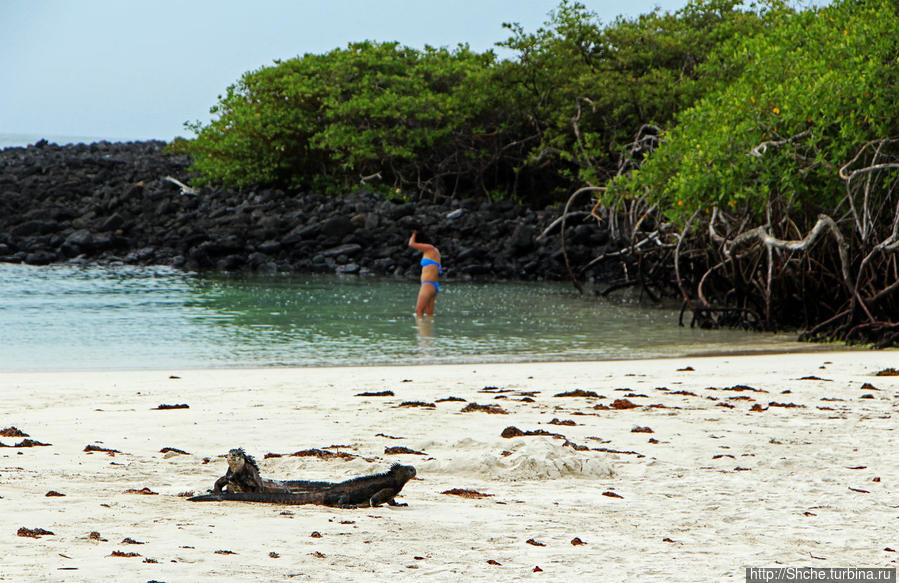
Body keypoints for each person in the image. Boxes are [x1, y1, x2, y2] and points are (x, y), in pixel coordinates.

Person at [408, 230, 441, 318]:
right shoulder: (434, 251)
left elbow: (411, 244)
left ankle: (421, 331)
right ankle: (429, 331)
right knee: (429, 315)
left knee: (419, 311)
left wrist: (414, 233)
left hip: (428, 284)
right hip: (433, 285)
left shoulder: (430, 248)